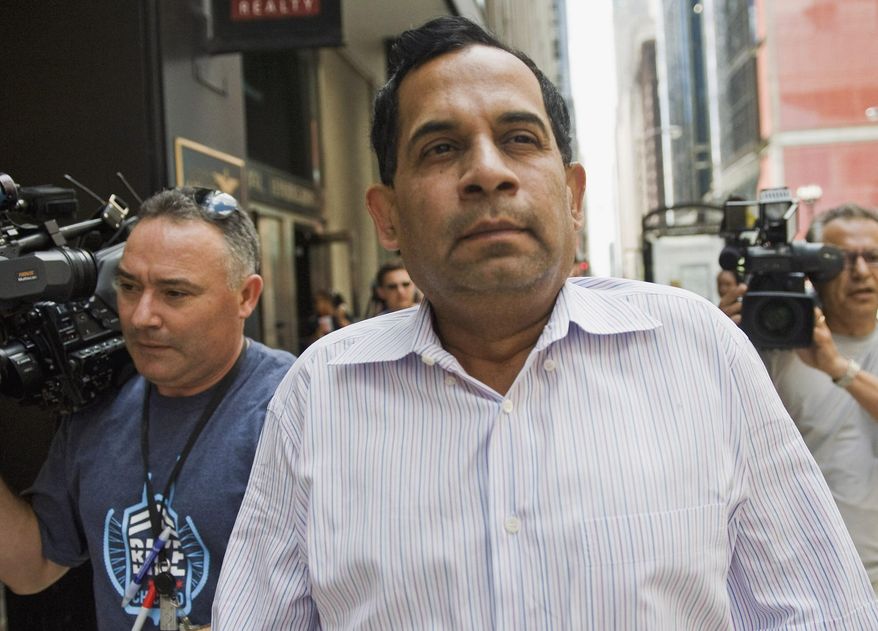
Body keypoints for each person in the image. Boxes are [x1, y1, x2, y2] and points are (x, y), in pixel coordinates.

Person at [214, 16, 878, 629]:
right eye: (442, 147)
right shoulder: (319, 394)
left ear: (573, 194)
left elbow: (820, 611)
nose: (488, 172)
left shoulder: (699, 351)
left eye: (519, 139)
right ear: (387, 215)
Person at [0, 187, 296, 630]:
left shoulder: (293, 408)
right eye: (129, 286)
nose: (141, 317)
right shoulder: (100, 407)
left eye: (174, 293)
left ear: (245, 297)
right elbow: (33, 567)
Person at [721, 203, 878, 596]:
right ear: (812, 269)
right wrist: (721, 336)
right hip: (808, 587)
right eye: (841, 261)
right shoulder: (774, 348)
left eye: (873, 257)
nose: (861, 273)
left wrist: (837, 367)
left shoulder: (826, 357)